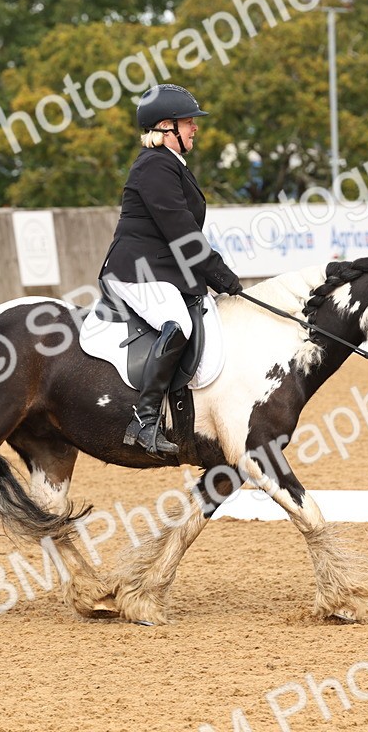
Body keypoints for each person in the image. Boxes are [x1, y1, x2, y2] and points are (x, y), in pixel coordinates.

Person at [98, 84, 243, 457]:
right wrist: (222, 277)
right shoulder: (154, 166)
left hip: (160, 270)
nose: (195, 128)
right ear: (166, 127)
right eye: (188, 122)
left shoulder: (169, 165)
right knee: (178, 322)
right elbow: (181, 232)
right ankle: (144, 421)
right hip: (136, 271)